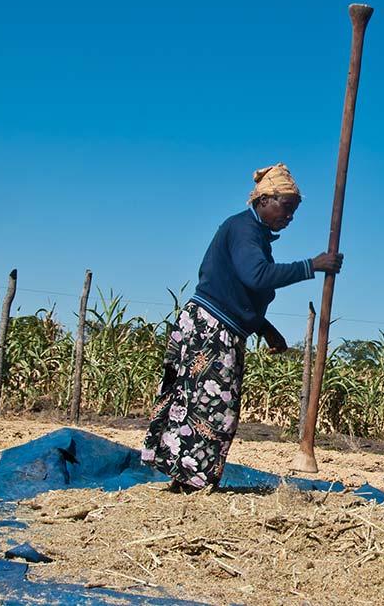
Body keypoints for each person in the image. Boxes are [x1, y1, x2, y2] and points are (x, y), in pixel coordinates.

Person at [142, 163, 343, 492]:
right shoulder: (243, 229)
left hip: (216, 325)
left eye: (293, 211)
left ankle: (188, 480)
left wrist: (263, 327)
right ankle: (192, 482)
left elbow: (238, 288)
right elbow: (256, 275)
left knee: (204, 405)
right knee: (211, 407)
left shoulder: (254, 235)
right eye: (286, 208)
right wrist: (312, 265)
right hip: (211, 329)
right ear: (265, 199)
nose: (289, 217)